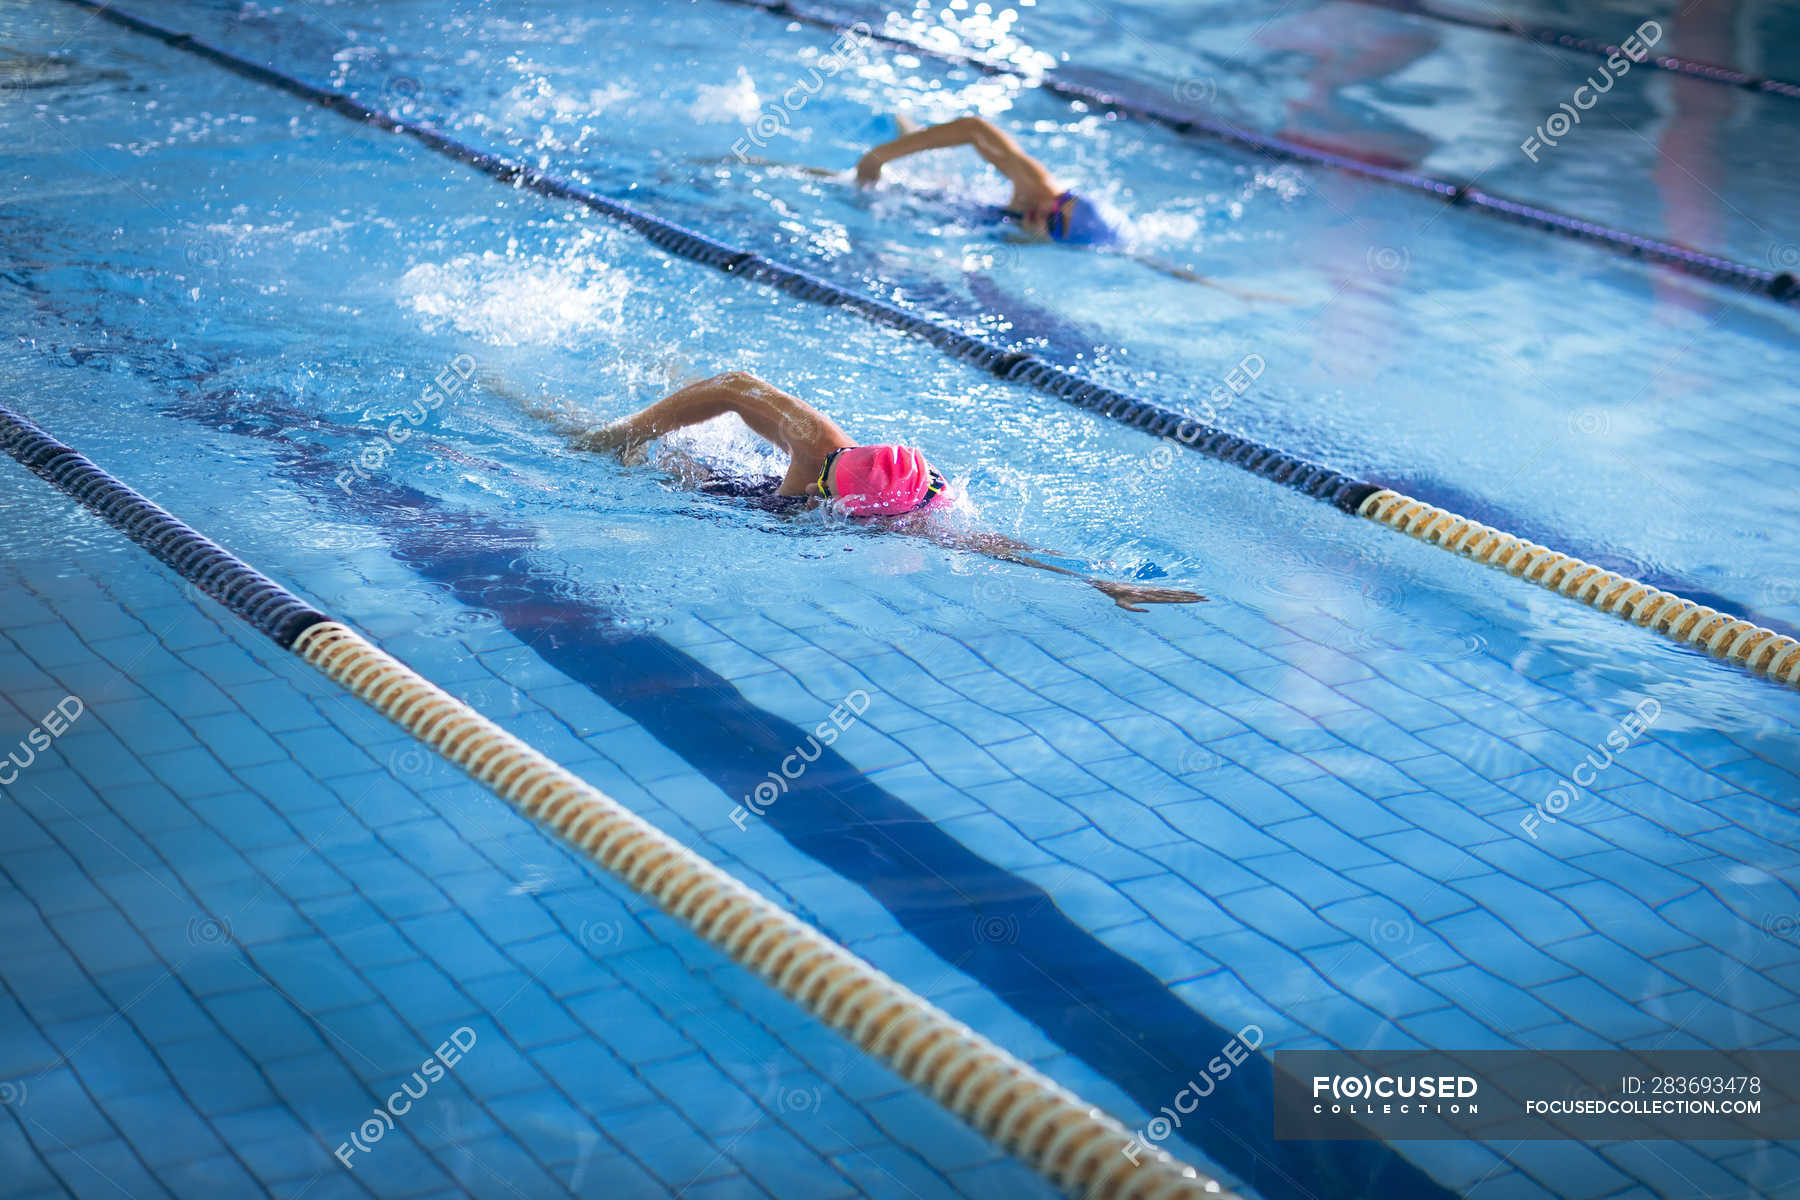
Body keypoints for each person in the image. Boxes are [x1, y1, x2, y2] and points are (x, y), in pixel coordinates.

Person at [517, 370, 1205, 612]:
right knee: (650, 458)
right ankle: (533, 404)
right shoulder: (818, 448)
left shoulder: (909, 506)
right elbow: (729, 383)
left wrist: (1099, 580)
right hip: (761, 497)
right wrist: (629, 431)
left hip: (792, 498)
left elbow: (999, 545)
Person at [855, 115, 1121, 246]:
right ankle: (908, 137)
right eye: (1062, 199)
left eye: (1053, 221)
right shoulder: (1038, 190)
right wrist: (876, 158)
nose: (1044, 208)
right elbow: (973, 128)